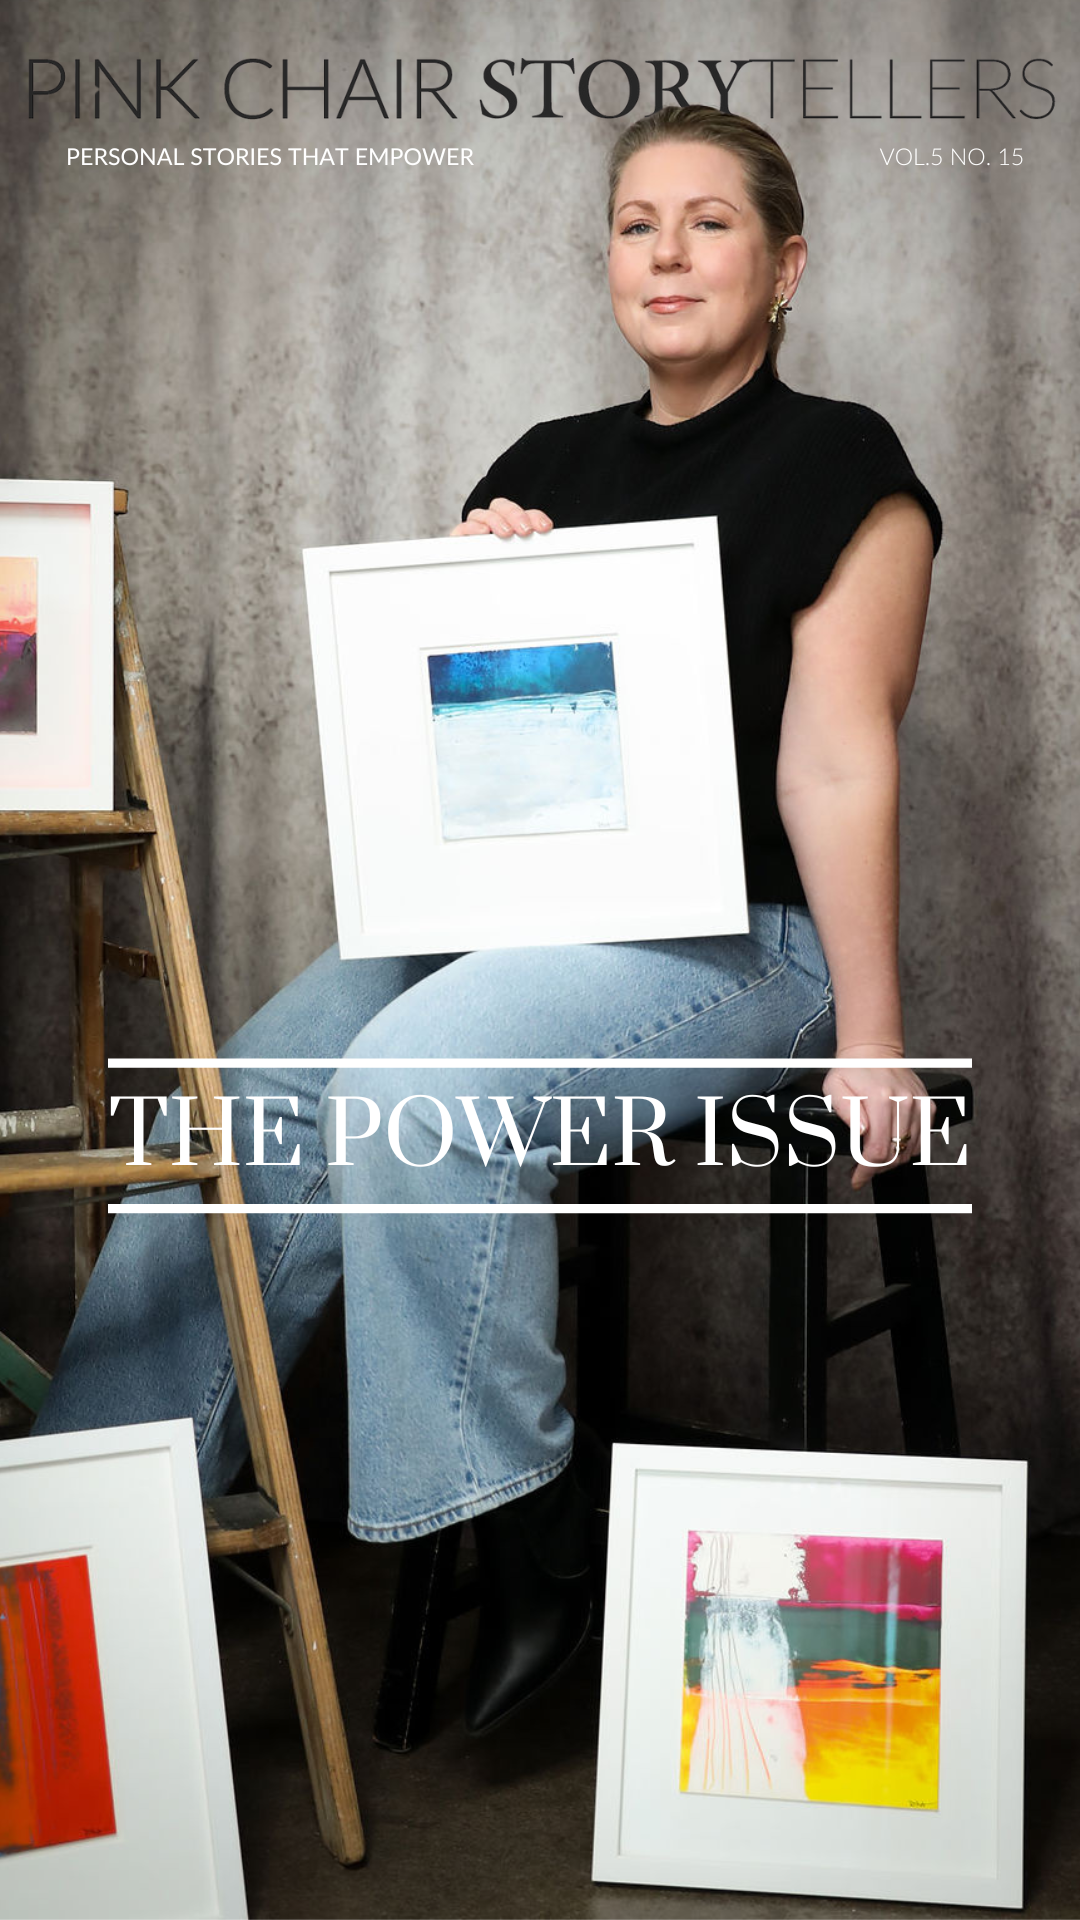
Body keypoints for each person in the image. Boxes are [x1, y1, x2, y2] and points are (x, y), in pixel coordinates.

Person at [34, 107, 942, 1735]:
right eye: (635, 224)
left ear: (786, 263)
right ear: (606, 262)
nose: (666, 253)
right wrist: (477, 600)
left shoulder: (847, 466)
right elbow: (470, 783)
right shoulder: (537, 470)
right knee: (238, 1107)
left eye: (710, 225)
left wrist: (873, 1037)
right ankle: (72, 1543)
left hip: (744, 938)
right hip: (521, 919)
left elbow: (835, 759)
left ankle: (532, 1539)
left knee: (411, 1081)